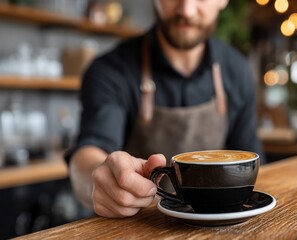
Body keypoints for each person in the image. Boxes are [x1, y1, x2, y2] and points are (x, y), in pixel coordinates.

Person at [65, 0, 264, 218]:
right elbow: (88, 152)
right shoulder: (110, 70)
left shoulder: (238, 70)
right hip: (136, 227)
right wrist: (98, 181)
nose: (186, 10)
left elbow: (252, 162)